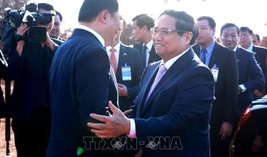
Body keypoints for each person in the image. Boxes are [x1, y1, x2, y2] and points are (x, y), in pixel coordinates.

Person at [88, 10, 215, 157]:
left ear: (187, 37)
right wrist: (119, 118)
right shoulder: (152, 68)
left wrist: (128, 126)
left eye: (165, 32)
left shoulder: (198, 74)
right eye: (156, 30)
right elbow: (139, 107)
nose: (157, 37)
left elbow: (177, 121)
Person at [46, 0, 120, 157]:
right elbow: (96, 121)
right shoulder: (94, 51)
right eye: (118, 18)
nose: (119, 27)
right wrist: (131, 148)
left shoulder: (66, 46)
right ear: (105, 16)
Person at [7, 3, 58, 157]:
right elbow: (11, 74)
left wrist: (49, 42)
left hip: (51, 117)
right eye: (40, 18)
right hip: (25, 116)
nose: (45, 23)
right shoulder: (21, 44)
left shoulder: (58, 47)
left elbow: (64, 70)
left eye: (49, 18)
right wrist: (20, 45)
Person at [192, 16, 238, 157]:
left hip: (217, 118)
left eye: (203, 28)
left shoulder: (227, 55)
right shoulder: (190, 51)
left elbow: (231, 89)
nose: (198, 31)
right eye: (196, 28)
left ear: (213, 30)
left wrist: (228, 120)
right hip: (192, 117)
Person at [220, 23, 265, 119]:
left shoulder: (247, 56)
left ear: (238, 37)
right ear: (220, 37)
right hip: (218, 107)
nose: (229, 39)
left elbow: (260, 79)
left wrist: (242, 87)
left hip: (240, 107)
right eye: (226, 35)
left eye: (233, 35)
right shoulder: (215, 54)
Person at [107, 20, 142, 112]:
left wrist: (128, 91)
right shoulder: (97, 52)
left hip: (125, 111)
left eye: (117, 28)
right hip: (102, 109)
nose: (114, 31)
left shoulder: (133, 54)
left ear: (121, 28)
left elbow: (141, 83)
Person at [239, 27, 267, 96]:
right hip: (241, 93)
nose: (242, 37)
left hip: (261, 94)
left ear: (251, 36)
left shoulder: (264, 52)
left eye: (245, 35)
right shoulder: (233, 53)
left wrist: (262, 91)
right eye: (240, 35)